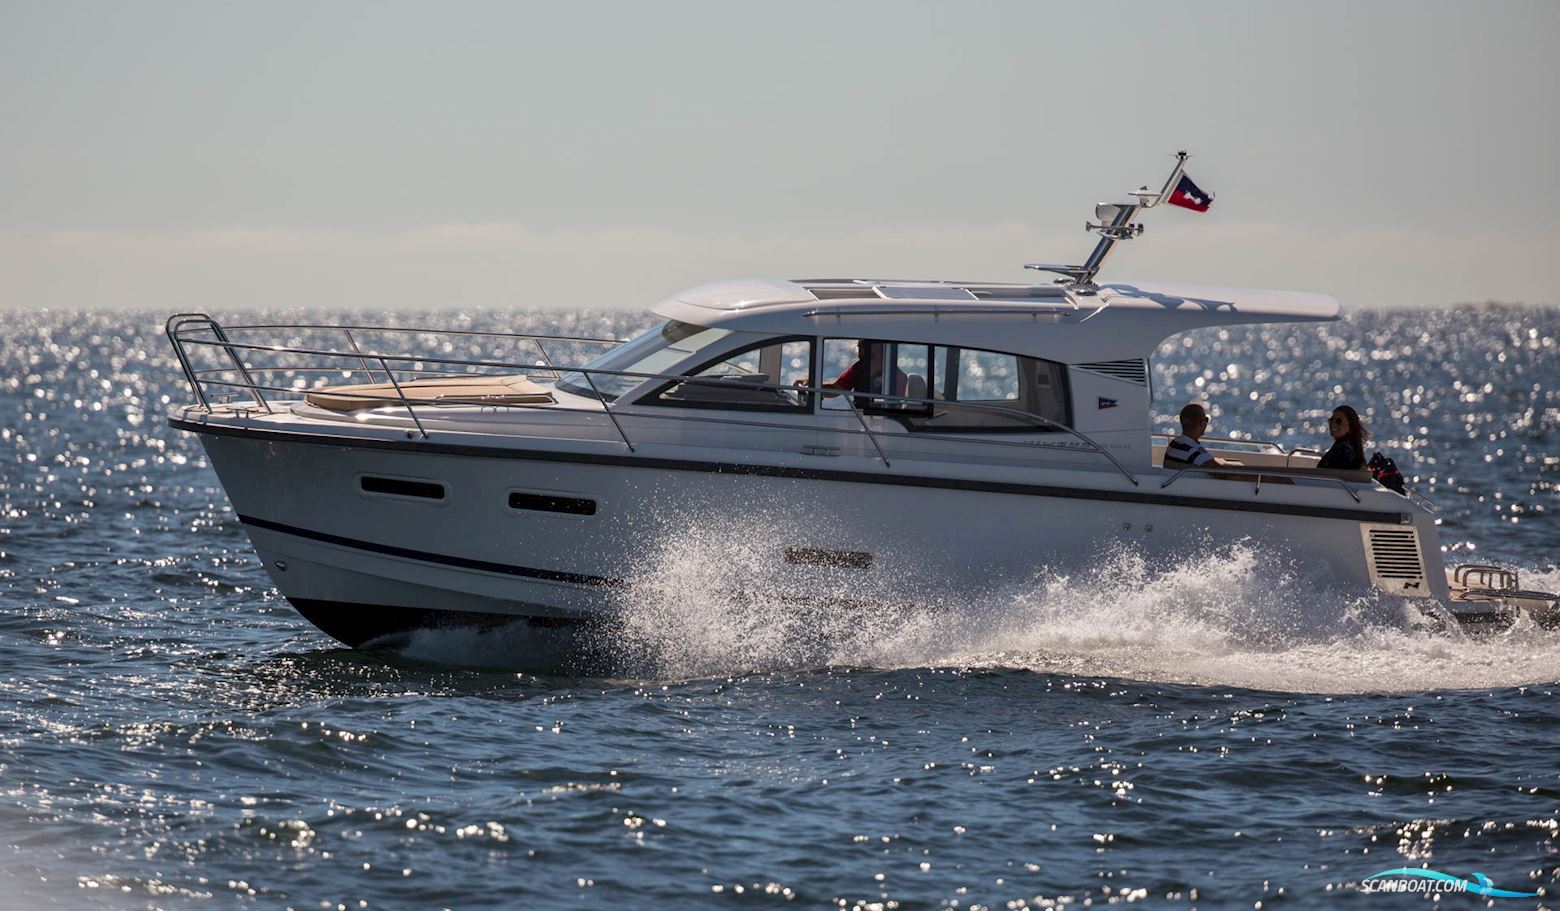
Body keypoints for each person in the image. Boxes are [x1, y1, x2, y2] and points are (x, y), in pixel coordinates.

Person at [819, 340, 908, 399]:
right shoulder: (857, 368)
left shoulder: (897, 376)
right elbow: (835, 390)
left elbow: (895, 407)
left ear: (879, 345)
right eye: (859, 346)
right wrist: (815, 387)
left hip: (880, 420)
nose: (859, 350)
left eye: (863, 345)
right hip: (858, 417)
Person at [1164, 403, 1232, 468]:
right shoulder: (1194, 452)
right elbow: (1221, 471)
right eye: (1206, 419)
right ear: (1200, 424)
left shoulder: (1173, 445)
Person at [1318, 405, 1369, 470]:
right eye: (1331, 420)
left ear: (1350, 427)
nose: (1333, 424)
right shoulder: (1347, 448)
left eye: (1338, 422)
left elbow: (1338, 474)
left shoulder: (1343, 451)